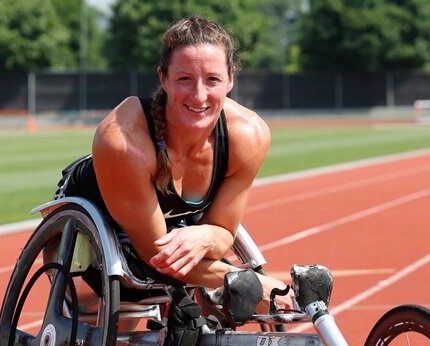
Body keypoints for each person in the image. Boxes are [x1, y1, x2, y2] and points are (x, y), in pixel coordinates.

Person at [55, 15, 295, 313]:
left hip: (171, 225)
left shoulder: (248, 136)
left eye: (212, 79)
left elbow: (222, 234)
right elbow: (157, 256)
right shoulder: (123, 142)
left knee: (211, 319)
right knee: (119, 315)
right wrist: (254, 282)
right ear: (163, 78)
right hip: (94, 222)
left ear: (231, 79)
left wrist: (206, 236)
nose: (199, 95)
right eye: (185, 79)